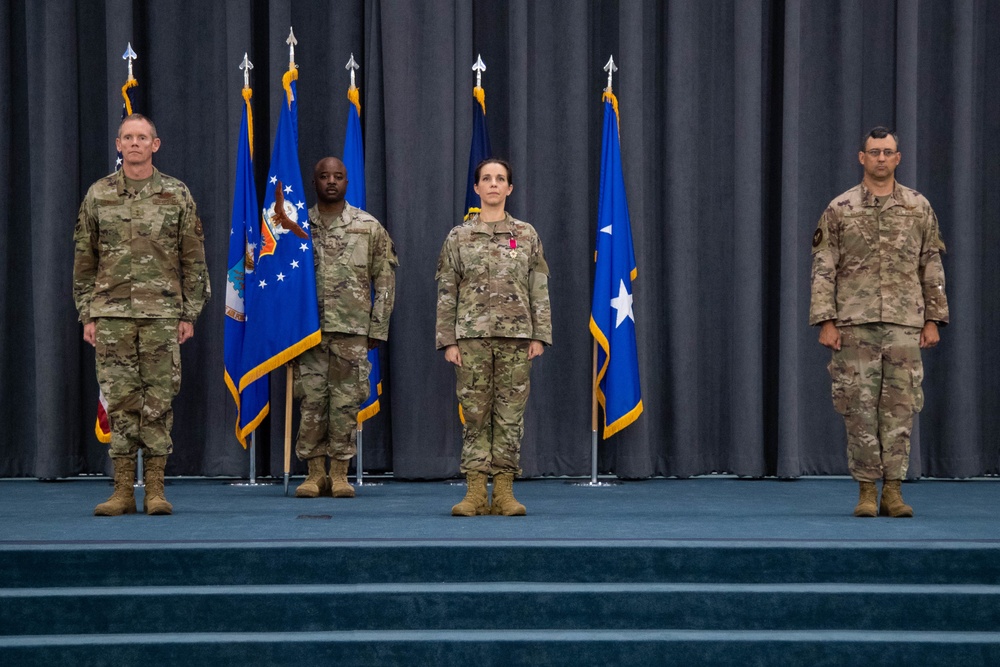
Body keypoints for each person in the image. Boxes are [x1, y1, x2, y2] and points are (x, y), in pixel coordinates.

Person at [74, 114, 210, 516]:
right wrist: (87, 313)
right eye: (128, 137)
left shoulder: (176, 194)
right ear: (118, 145)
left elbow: (193, 258)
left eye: (142, 137)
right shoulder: (98, 195)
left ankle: (154, 490)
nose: (135, 144)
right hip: (111, 314)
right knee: (119, 401)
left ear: (156, 144)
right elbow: (84, 260)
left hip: (162, 316)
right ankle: (120, 491)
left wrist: (190, 312)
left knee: (158, 401)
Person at [810, 126, 949, 518]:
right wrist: (826, 320)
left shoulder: (918, 207)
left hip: (906, 323)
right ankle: (867, 490)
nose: (882, 158)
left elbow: (931, 264)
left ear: (898, 158)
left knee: (900, 409)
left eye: (888, 152)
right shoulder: (841, 208)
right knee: (858, 408)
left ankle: (894, 491)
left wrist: (934, 318)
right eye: (875, 152)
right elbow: (824, 268)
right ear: (862, 157)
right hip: (855, 323)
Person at [435, 158, 552, 516]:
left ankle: (503, 492)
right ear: (476, 188)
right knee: (474, 414)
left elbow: (539, 287)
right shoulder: (459, 236)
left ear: (509, 189)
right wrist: (448, 340)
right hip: (471, 339)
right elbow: (446, 290)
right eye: (486, 179)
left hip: (516, 338)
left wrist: (540, 335)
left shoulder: (526, 234)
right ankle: (473, 492)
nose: (493, 185)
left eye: (500, 179)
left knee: (509, 416)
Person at [292, 157, 398, 499]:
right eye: (324, 176)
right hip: (307, 332)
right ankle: (313, 474)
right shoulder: (293, 226)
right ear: (314, 181)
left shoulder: (367, 226)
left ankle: (339, 474)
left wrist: (377, 329)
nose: (331, 182)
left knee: (345, 404)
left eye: (338, 176)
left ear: (347, 182)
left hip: (352, 330)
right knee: (311, 403)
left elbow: (384, 280)